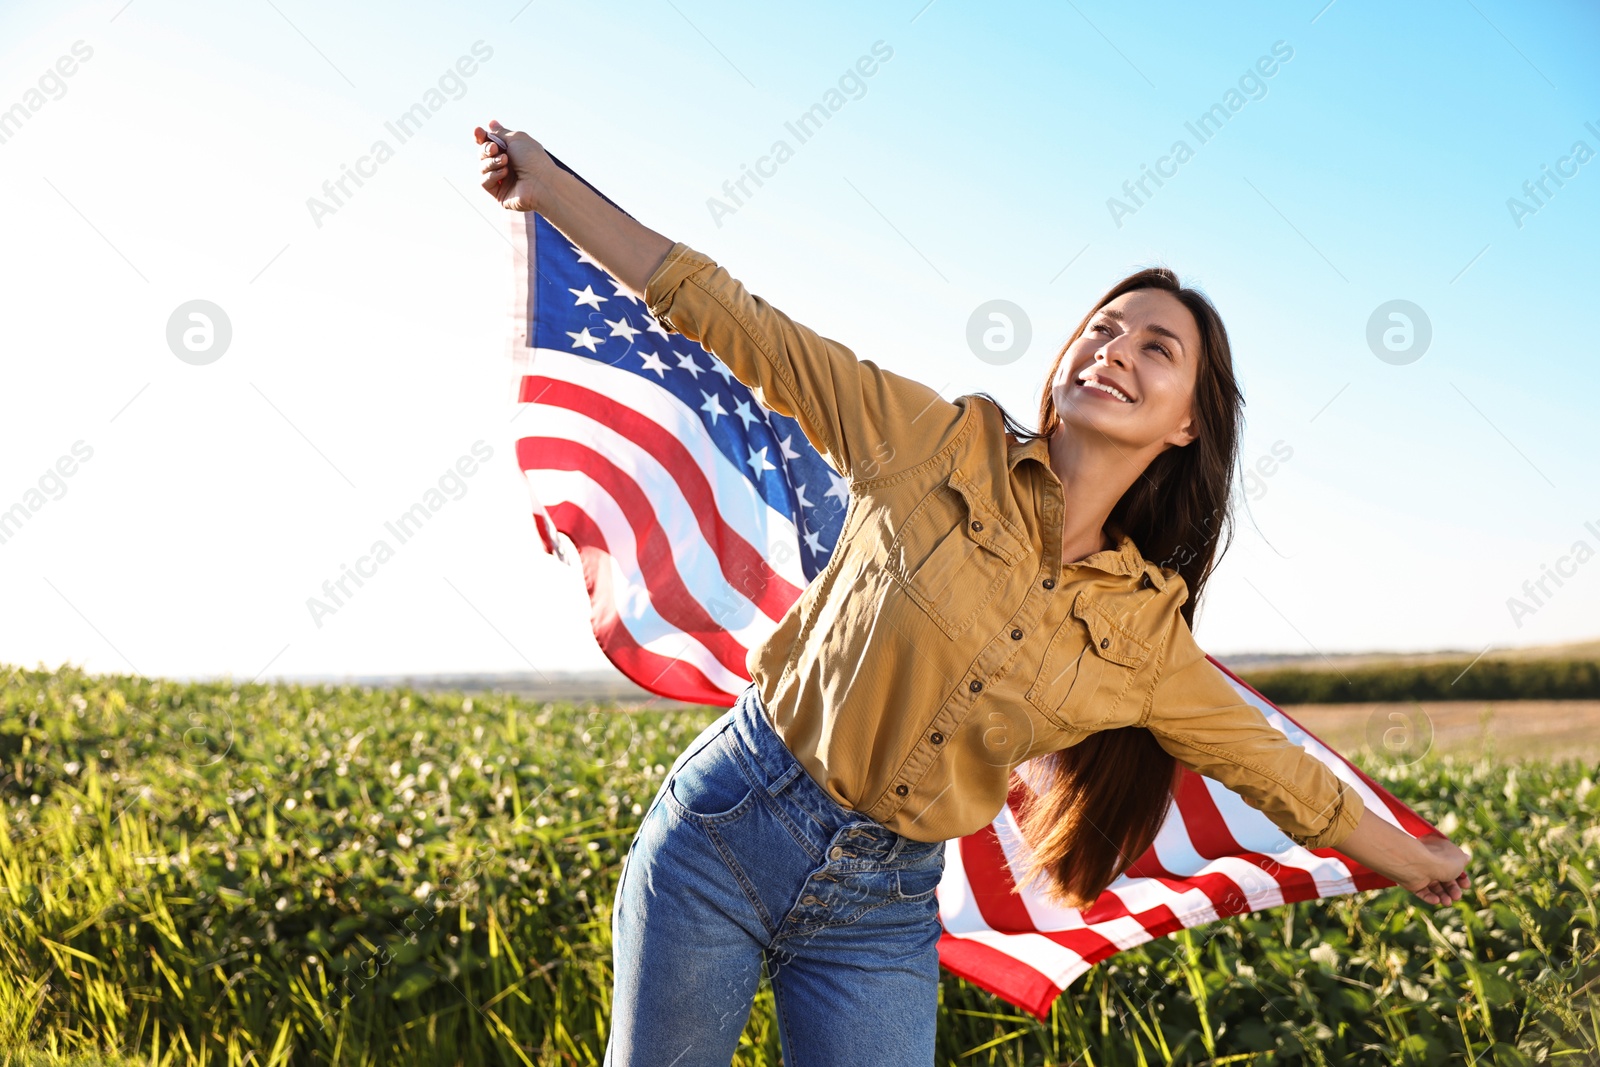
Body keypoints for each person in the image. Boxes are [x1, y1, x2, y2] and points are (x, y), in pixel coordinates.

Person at [473, 119, 1470, 1067]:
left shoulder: (1144, 636)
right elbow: (742, 323)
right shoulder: (935, 442)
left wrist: (1417, 856)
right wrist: (552, 188)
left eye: (1154, 349)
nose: (1113, 350)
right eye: (1103, 328)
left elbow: (1281, 777)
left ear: (1185, 427)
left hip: (881, 907)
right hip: (725, 834)